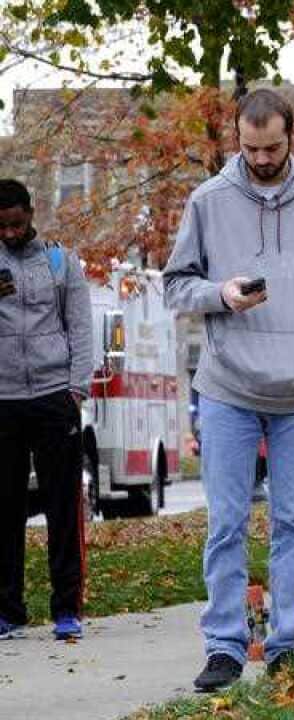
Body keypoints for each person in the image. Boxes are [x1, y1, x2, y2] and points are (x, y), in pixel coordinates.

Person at [163, 89, 294, 691]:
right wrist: (220, 294)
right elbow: (174, 287)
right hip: (227, 386)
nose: (262, 158)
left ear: (292, 136)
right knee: (225, 520)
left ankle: (284, 644)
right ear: (237, 140)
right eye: (250, 148)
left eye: (272, 147)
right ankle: (223, 645)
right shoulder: (208, 201)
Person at [0, 178, 91, 642]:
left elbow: (80, 326)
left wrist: (75, 390)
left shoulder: (60, 260)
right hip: (4, 403)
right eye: (2, 228)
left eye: (17, 224)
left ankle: (66, 609)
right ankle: (8, 611)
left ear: (31, 214)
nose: (11, 234)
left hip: (55, 399)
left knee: (62, 508)